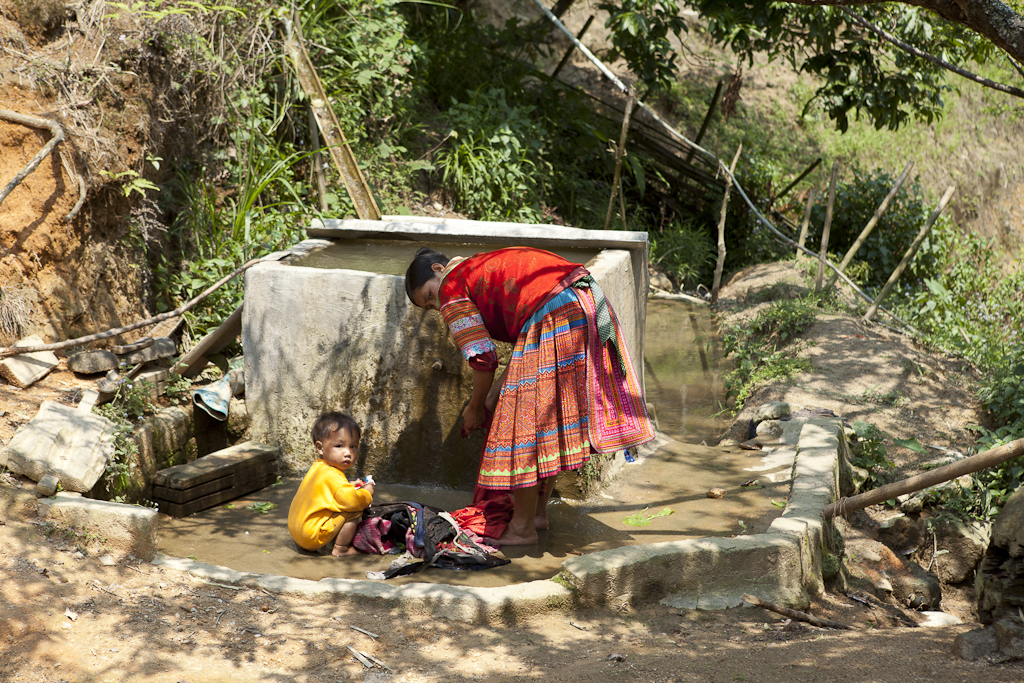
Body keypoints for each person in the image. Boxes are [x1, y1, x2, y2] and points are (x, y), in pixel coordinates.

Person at [405, 246, 654, 546]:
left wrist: (473, 409)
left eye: (429, 297)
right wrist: (491, 396)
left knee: (523, 427)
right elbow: (523, 329)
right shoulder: (478, 266)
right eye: (430, 306)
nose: (436, 306)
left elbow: (483, 358)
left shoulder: (452, 286)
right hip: (581, 300)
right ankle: (536, 514)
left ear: (437, 270)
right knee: (544, 424)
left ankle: (522, 528)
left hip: (554, 312)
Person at [287, 411, 374, 557]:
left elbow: (329, 491)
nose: (348, 453)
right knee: (353, 510)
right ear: (320, 448)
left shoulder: (319, 467)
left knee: (342, 504)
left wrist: (350, 485)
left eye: (353, 446)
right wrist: (367, 493)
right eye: (339, 446)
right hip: (310, 537)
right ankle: (341, 548)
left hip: (298, 532)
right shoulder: (333, 476)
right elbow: (353, 501)